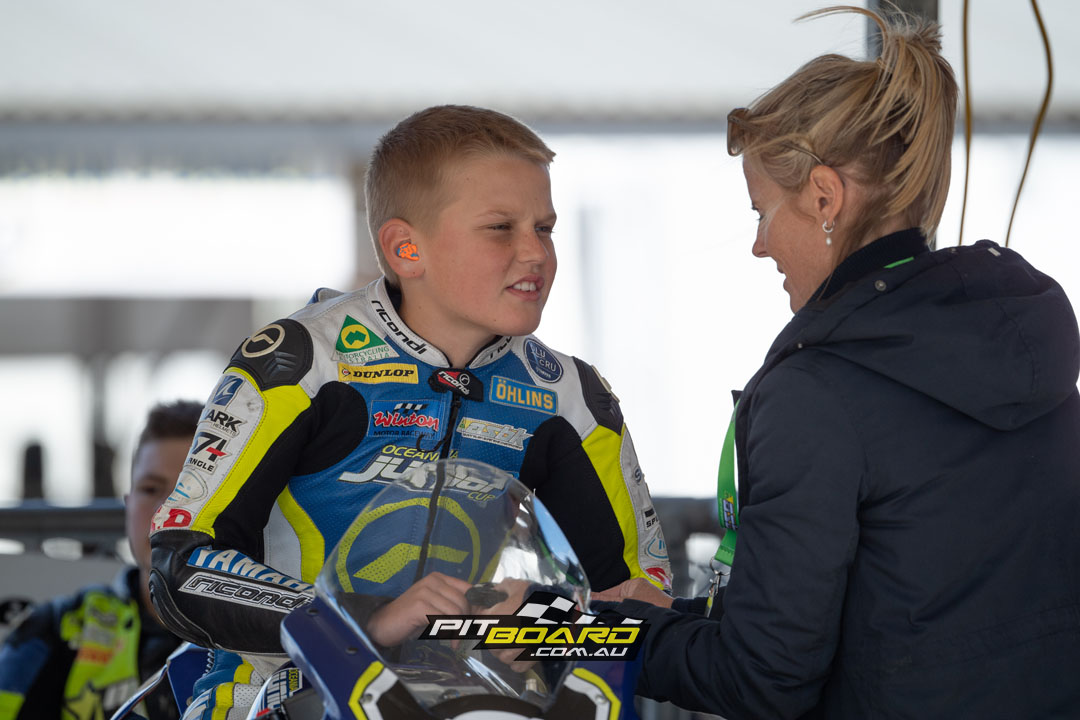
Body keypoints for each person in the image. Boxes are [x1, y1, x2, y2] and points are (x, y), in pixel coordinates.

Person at [595, 5, 1080, 718]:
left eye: (761, 211)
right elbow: (896, 621)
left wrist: (590, 631)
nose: (759, 245)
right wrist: (667, 618)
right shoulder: (1022, 352)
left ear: (824, 197)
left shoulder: (816, 392)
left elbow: (763, 679)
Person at [147, 105, 671, 718]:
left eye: (546, 228)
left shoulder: (572, 397)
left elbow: (636, 599)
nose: (536, 252)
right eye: (500, 228)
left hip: (483, 703)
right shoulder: (303, 360)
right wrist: (355, 620)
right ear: (406, 249)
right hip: (283, 697)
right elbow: (181, 562)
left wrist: (544, 618)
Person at [0, 401, 200, 720]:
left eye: (190, 490)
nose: (166, 511)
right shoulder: (58, 628)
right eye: (151, 489)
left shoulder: (272, 635)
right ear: (128, 504)